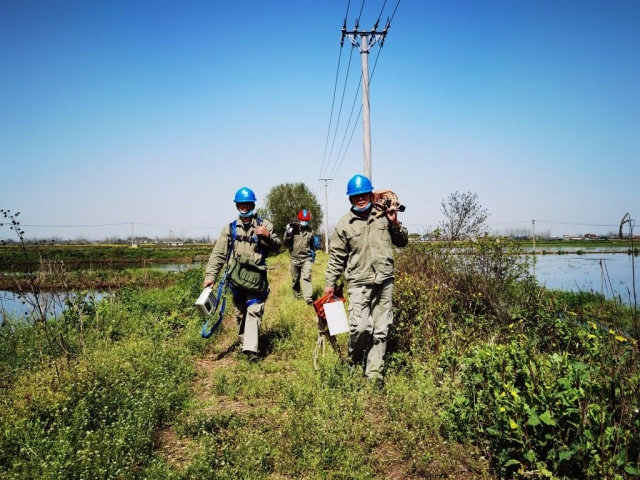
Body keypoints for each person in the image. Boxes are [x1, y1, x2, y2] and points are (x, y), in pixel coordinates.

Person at [324, 174, 408, 380]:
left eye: (363, 194)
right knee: (360, 327)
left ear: (371, 195)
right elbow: (336, 257)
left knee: (381, 329)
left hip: (384, 280)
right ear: (350, 199)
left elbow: (402, 241)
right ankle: (355, 360)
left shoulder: (384, 216)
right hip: (359, 282)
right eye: (355, 196)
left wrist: (395, 223)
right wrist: (330, 282)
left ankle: (373, 374)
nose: (360, 199)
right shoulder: (344, 225)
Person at [203, 186, 281, 362]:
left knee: (254, 310)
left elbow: (278, 246)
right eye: (241, 205)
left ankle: (251, 351)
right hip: (236, 281)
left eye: (247, 204)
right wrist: (211, 276)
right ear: (237, 206)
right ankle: (244, 343)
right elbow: (218, 254)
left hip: (256, 279)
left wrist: (267, 236)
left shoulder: (265, 224)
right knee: (240, 313)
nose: (244, 207)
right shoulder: (229, 229)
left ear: (252, 204)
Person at [283, 209, 315, 305]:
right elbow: (285, 242)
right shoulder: (293, 229)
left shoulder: (310, 231)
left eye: (306, 220)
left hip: (306, 258)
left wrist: (313, 254)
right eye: (302, 220)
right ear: (299, 219)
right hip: (295, 258)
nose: (304, 222)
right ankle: (297, 296)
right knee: (295, 279)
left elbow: (312, 244)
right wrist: (288, 233)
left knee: (307, 277)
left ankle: (308, 299)